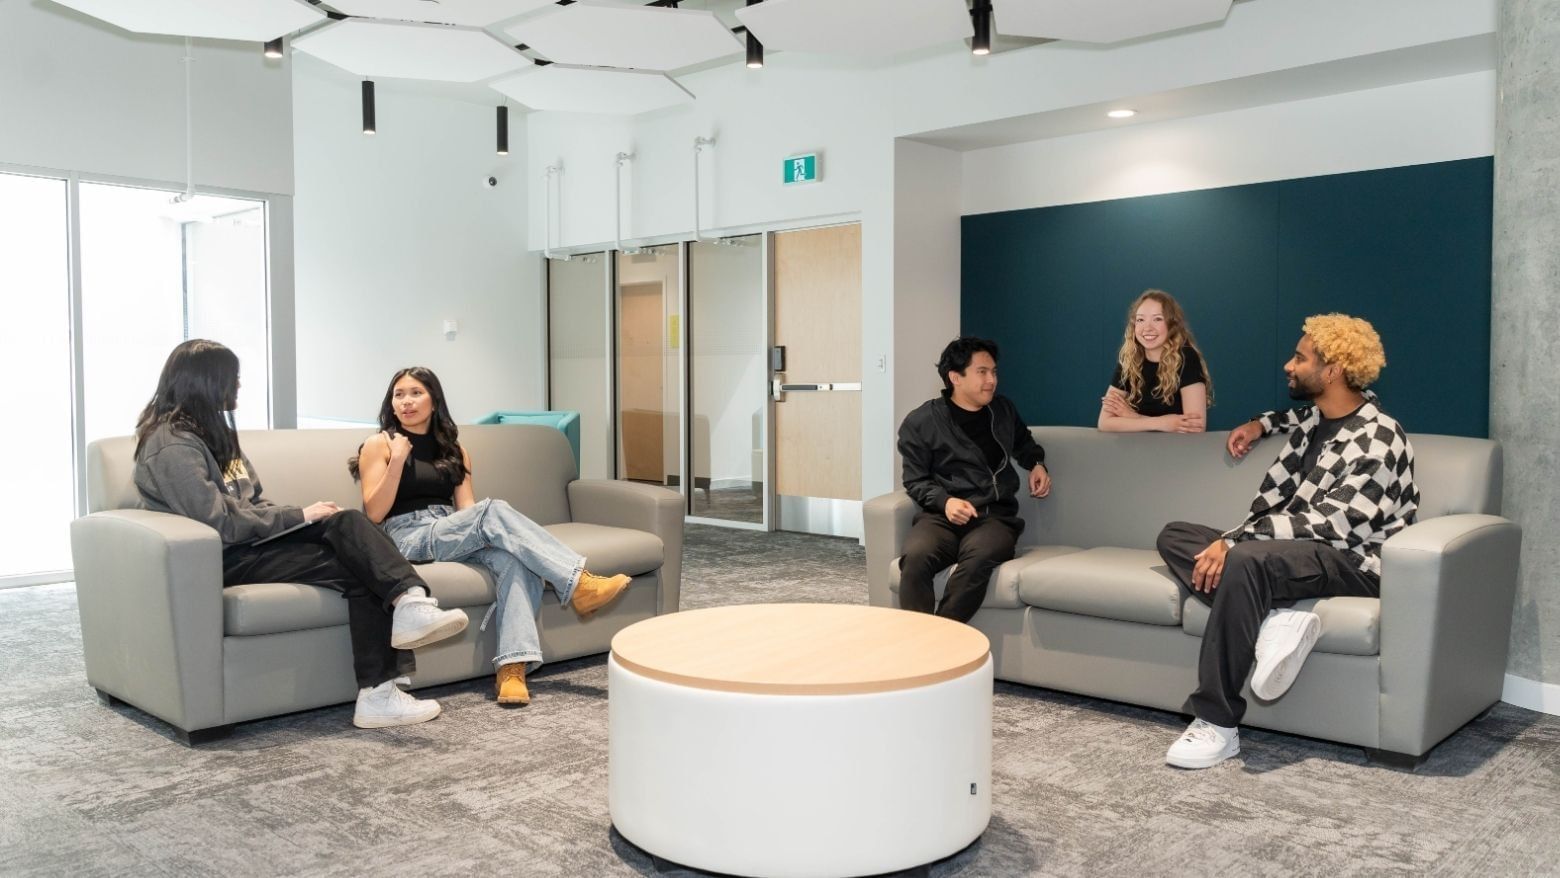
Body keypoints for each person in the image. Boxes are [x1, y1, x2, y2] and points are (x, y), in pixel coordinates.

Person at [134, 340, 469, 730]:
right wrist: (297, 515)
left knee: (347, 525)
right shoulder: (171, 444)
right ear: (206, 381)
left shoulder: (213, 435)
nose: (238, 385)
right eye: (232, 378)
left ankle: (408, 609)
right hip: (226, 557)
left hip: (253, 542)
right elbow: (218, 523)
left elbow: (251, 502)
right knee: (359, 562)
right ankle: (385, 676)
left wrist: (301, 518)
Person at [1155, 314, 1417, 769]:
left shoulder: (1381, 438)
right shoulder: (1317, 416)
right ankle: (1275, 613)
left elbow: (1333, 526)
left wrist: (1237, 540)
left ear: (1332, 370)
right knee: (1175, 536)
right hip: (1294, 553)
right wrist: (1259, 425)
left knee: (1243, 561)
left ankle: (1217, 723)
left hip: (1353, 561)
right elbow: (1292, 416)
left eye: (1300, 357)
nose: (1288, 365)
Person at [350, 367, 632, 707]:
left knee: (513, 559)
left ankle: (512, 668)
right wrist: (397, 462)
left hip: (448, 529)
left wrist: (488, 534)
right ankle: (579, 584)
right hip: (406, 535)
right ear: (391, 403)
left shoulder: (454, 449)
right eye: (399, 395)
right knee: (493, 510)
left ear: (434, 399)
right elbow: (375, 514)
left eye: (416, 393)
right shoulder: (379, 445)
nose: (406, 401)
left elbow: (467, 510)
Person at [896, 337, 1052, 623]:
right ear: (955, 377)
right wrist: (945, 501)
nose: (991, 380)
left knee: (978, 560)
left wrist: (1037, 464)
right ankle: (916, 640)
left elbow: (1024, 442)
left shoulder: (1002, 410)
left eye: (993, 372)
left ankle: (942, 639)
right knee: (915, 558)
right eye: (982, 372)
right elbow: (915, 480)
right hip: (941, 517)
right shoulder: (921, 422)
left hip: (994, 517)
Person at [1098, 289, 1212, 433]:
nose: (1147, 328)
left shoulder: (1187, 358)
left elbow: (1196, 427)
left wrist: (1133, 417)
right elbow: (1105, 423)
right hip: (1136, 450)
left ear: (1172, 325)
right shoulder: (1129, 360)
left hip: (1176, 451)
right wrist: (1162, 423)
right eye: (1140, 320)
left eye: (1157, 319)